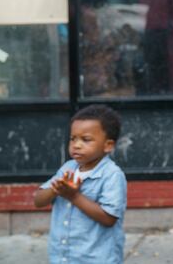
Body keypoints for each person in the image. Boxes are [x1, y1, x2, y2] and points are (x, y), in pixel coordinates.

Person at [34, 104, 127, 264]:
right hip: (63, 256)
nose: (76, 145)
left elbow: (109, 218)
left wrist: (73, 196)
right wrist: (56, 190)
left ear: (108, 145)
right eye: (73, 138)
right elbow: (38, 201)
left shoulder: (112, 175)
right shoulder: (68, 168)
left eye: (86, 140)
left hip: (96, 258)